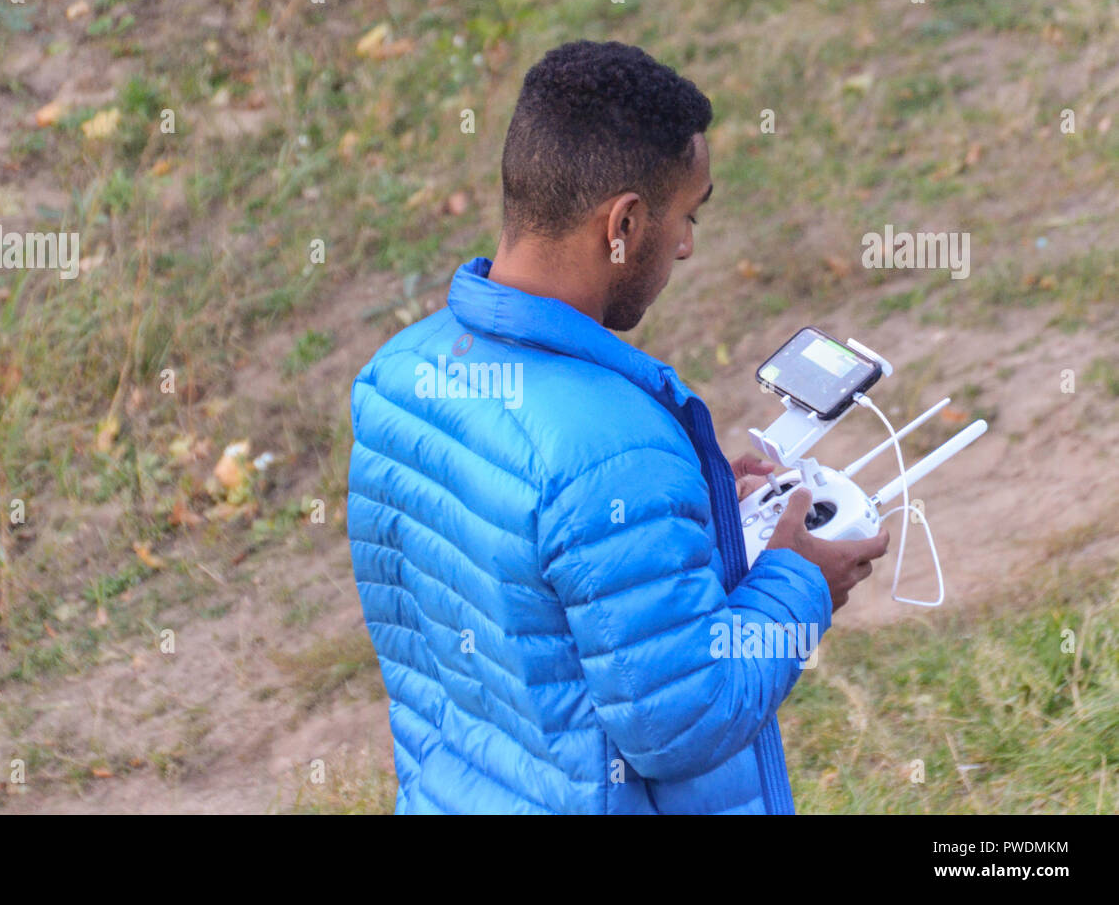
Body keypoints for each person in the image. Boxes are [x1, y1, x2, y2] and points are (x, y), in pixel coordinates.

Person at [346, 40, 889, 814]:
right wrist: (802, 584)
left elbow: (512, 622)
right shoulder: (615, 449)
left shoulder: (397, 377)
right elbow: (687, 719)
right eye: (686, 215)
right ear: (625, 223)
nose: (688, 244)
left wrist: (684, 518)